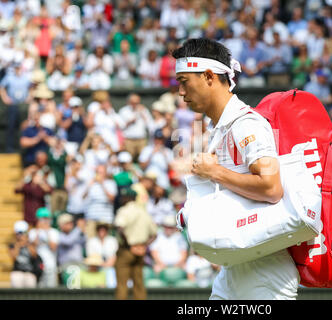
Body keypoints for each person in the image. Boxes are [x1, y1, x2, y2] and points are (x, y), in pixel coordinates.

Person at [173, 38, 298, 300]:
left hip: (264, 272)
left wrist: (215, 172)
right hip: (236, 267)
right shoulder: (221, 127)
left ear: (208, 76)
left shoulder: (246, 124)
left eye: (184, 82)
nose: (181, 92)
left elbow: (271, 188)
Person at [114, 187, 158, 300]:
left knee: (122, 284)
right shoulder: (143, 212)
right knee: (139, 284)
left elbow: (120, 228)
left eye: (123, 197)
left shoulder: (124, 211)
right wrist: (144, 245)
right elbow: (154, 234)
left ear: (128, 198)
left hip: (126, 250)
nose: (122, 199)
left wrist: (128, 244)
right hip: (140, 251)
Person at [0, 61, 31, 153]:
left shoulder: (26, 78)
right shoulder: (9, 77)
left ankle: (21, 147)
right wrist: (5, 98)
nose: (17, 69)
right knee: (11, 126)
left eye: (19, 68)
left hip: (23, 106)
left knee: (23, 126)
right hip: (13, 105)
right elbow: (1, 87)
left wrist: (29, 97)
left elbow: (32, 87)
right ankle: (10, 147)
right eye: (16, 68)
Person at [82, 164, 117, 238]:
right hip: (91, 217)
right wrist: (89, 186)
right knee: (90, 240)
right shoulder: (91, 183)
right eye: (97, 172)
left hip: (105, 218)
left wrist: (102, 184)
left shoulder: (111, 183)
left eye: (101, 172)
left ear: (105, 173)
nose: (99, 174)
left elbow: (112, 199)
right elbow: (83, 197)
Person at [28, 207, 59, 288]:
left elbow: (53, 247)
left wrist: (47, 232)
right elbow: (33, 247)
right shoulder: (33, 232)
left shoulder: (54, 232)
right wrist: (38, 231)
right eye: (42, 219)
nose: (45, 221)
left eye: (46, 219)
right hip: (38, 266)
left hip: (51, 265)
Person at [119, 93, 154, 161]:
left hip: (141, 140)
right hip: (129, 140)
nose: (135, 104)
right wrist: (131, 121)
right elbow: (121, 126)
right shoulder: (124, 111)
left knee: (143, 159)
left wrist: (143, 114)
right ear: (129, 102)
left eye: (137, 102)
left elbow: (150, 124)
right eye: (133, 102)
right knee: (128, 160)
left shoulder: (144, 110)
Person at [8, 220, 39, 288]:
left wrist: (27, 243)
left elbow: (34, 255)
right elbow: (14, 258)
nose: (21, 235)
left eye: (23, 233)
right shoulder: (13, 245)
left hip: (30, 272)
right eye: (19, 233)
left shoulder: (30, 244)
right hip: (17, 272)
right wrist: (18, 245)